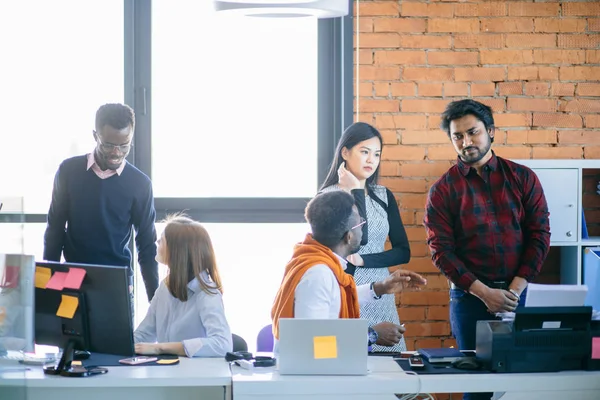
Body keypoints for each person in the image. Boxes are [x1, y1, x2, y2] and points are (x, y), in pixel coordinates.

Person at [423, 99, 550, 400]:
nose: (466, 142)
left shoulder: (522, 177)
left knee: (522, 383)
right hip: (469, 300)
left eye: (473, 132)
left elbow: (540, 236)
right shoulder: (443, 190)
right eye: (458, 136)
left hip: (518, 295)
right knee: (477, 385)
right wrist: (484, 293)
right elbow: (441, 251)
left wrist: (514, 291)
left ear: (491, 131)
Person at [271, 190, 426, 350]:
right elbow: (313, 344)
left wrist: (380, 288)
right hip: (311, 373)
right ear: (349, 237)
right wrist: (372, 334)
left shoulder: (318, 262)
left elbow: (333, 298)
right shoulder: (318, 274)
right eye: (361, 223)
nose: (363, 227)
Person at [43, 103, 159, 302]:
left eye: (124, 145)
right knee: (68, 332)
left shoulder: (140, 184)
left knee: (116, 335)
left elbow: (147, 246)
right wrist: (47, 290)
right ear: (95, 136)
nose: (116, 152)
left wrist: (156, 304)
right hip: (72, 276)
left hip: (117, 282)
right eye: (108, 144)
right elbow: (55, 229)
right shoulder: (69, 172)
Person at [319, 122, 411, 352]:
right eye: (364, 152)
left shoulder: (383, 195)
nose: (371, 160)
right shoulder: (327, 198)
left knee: (392, 375)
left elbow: (403, 251)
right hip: (347, 292)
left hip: (381, 291)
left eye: (377, 154)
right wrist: (356, 192)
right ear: (345, 153)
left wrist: (365, 261)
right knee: (352, 362)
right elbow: (362, 239)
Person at [134, 215, 232, 357]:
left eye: (163, 239)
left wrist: (161, 348)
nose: (157, 241)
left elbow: (223, 344)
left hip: (194, 375)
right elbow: (144, 334)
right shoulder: (165, 287)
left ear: (178, 250)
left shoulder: (207, 293)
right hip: (167, 372)